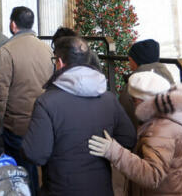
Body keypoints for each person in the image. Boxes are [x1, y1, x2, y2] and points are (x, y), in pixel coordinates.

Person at [22, 36, 136, 196]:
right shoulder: (109, 98)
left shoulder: (46, 102)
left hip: (60, 189)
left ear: (59, 63)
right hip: (101, 189)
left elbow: (36, 154)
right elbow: (128, 138)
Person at [88, 71, 182, 196]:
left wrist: (114, 152)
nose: (133, 104)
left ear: (140, 101)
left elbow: (152, 176)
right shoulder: (173, 116)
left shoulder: (159, 131)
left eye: (133, 100)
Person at [0, 6, 53, 195]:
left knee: (22, 173)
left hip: (16, 126)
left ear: (12, 24)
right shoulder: (47, 49)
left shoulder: (7, 50)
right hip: (43, 122)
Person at [120, 39, 175, 128]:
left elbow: (126, 115)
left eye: (130, 60)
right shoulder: (166, 76)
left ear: (135, 61)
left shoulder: (135, 84)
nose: (129, 64)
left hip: (145, 135)